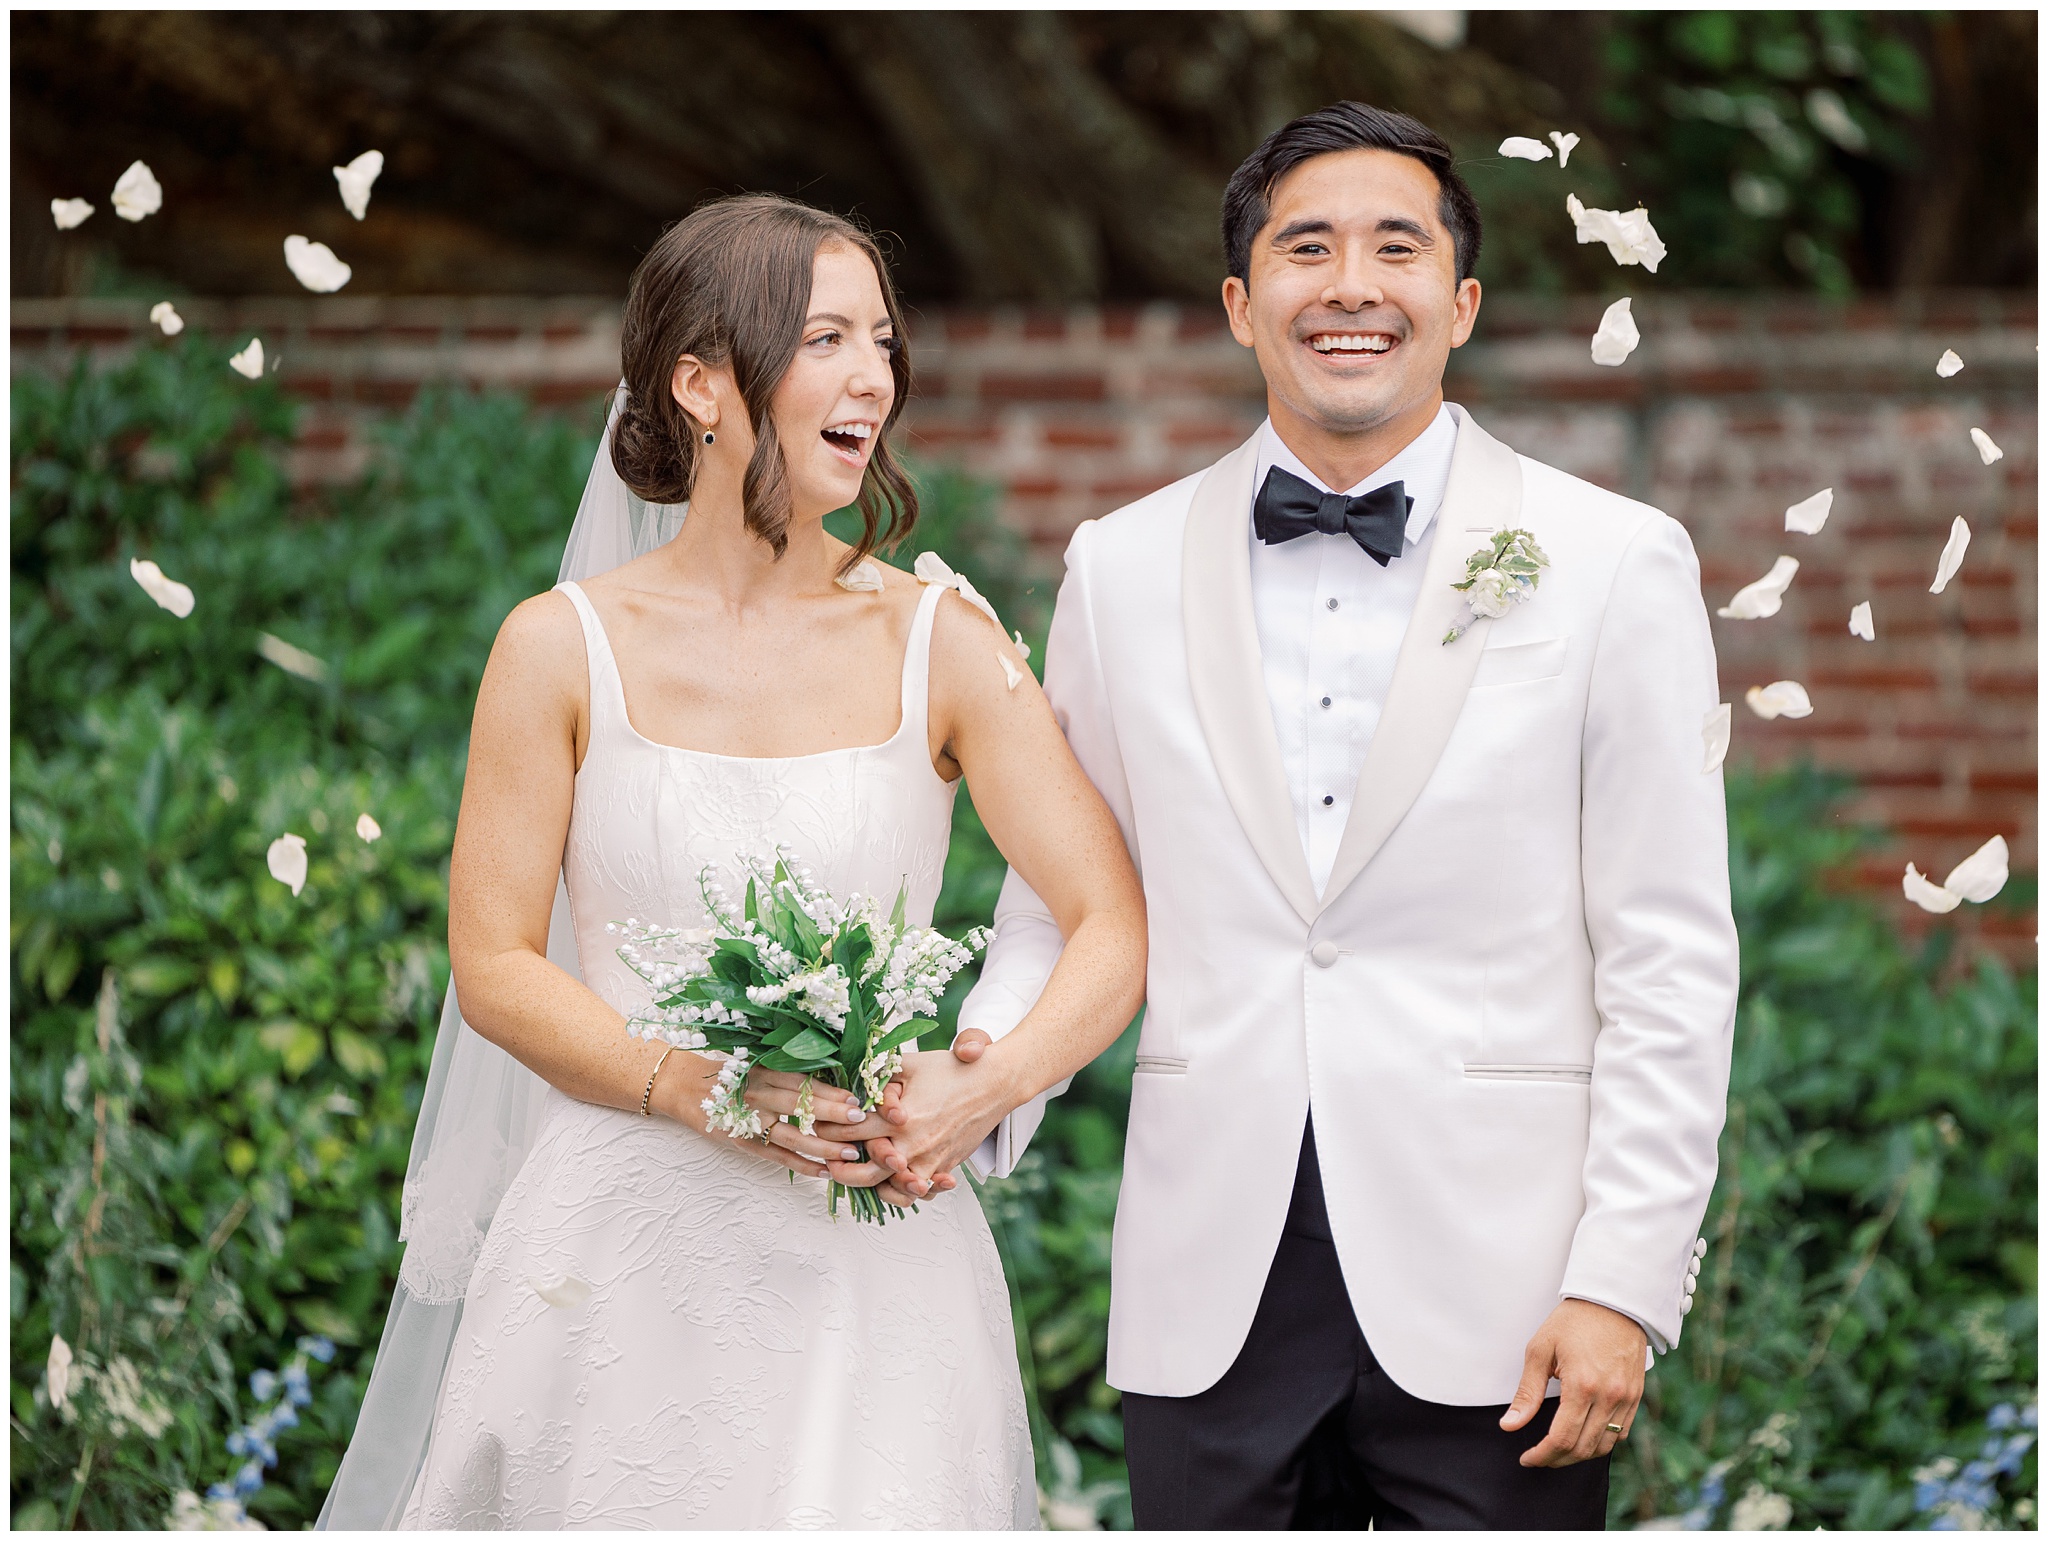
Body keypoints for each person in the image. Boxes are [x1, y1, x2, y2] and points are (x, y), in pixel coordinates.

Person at [934, 101, 1739, 1528]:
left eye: (1397, 249)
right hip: (1211, 1285)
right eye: (1307, 249)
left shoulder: (1614, 562)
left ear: (1461, 300)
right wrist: (968, 1092)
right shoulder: (1118, 569)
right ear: (1244, 304)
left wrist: (1620, 1275)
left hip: (1507, 1295)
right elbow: (1059, 899)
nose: (1352, 285)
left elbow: (1670, 955)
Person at [320, 193, 1147, 1529]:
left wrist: (979, 1087)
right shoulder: (556, 646)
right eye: (824, 336)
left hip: (867, 1267)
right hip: (611, 1258)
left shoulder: (939, 639)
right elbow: (494, 962)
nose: (871, 373)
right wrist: (697, 1084)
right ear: (698, 382)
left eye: (881, 339)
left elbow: (1109, 918)